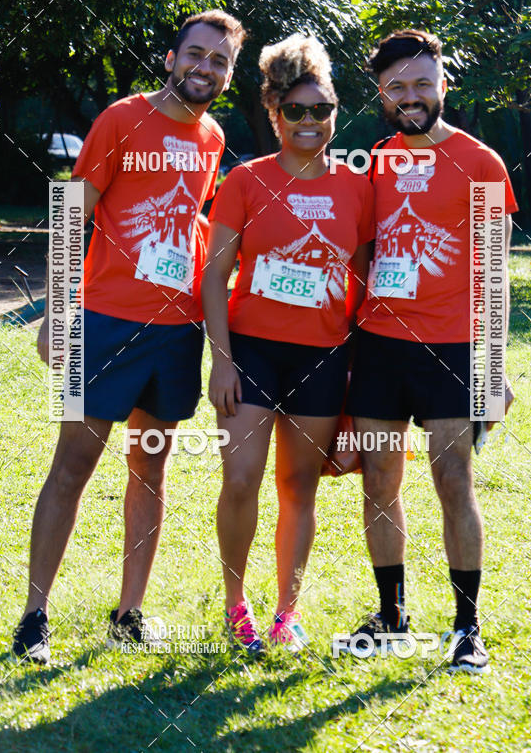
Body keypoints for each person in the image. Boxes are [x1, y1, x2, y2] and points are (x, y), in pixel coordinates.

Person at [12, 9, 246, 664]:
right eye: (195, 54)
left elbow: (192, 221)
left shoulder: (213, 137)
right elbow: (71, 214)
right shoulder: (121, 119)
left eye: (218, 60)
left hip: (176, 334)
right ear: (172, 58)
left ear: (228, 73)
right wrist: (59, 314)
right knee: (72, 469)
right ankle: (34, 618)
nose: (205, 68)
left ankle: (130, 612)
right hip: (106, 324)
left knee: (150, 470)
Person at [346, 29, 518, 673]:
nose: (410, 96)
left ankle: (467, 627)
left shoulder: (481, 164)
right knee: (380, 481)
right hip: (380, 347)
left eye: (422, 83)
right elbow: (360, 253)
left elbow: (495, 274)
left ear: (443, 86)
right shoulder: (376, 161)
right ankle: (391, 618)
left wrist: (493, 372)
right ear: (382, 95)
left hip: (451, 348)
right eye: (397, 87)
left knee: (453, 481)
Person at [202, 35, 374, 653]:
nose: (308, 122)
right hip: (252, 352)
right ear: (274, 114)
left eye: (320, 110)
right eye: (295, 111)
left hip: (323, 358)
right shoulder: (246, 181)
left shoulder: (359, 188)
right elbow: (215, 278)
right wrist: (221, 362)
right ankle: (235, 604)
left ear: (334, 113)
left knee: (299, 487)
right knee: (242, 479)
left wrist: (353, 375)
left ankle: (286, 612)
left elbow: (359, 282)